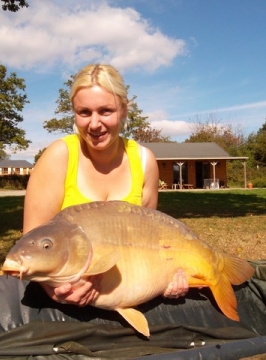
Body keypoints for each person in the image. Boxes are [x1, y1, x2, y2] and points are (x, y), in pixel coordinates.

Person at [23, 63, 188, 306]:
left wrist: (168, 277)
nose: (95, 124)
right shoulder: (59, 156)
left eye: (106, 111)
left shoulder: (144, 161)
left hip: (126, 300)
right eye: (85, 112)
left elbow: (151, 240)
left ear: (123, 110)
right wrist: (55, 291)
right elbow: (32, 243)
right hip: (63, 309)